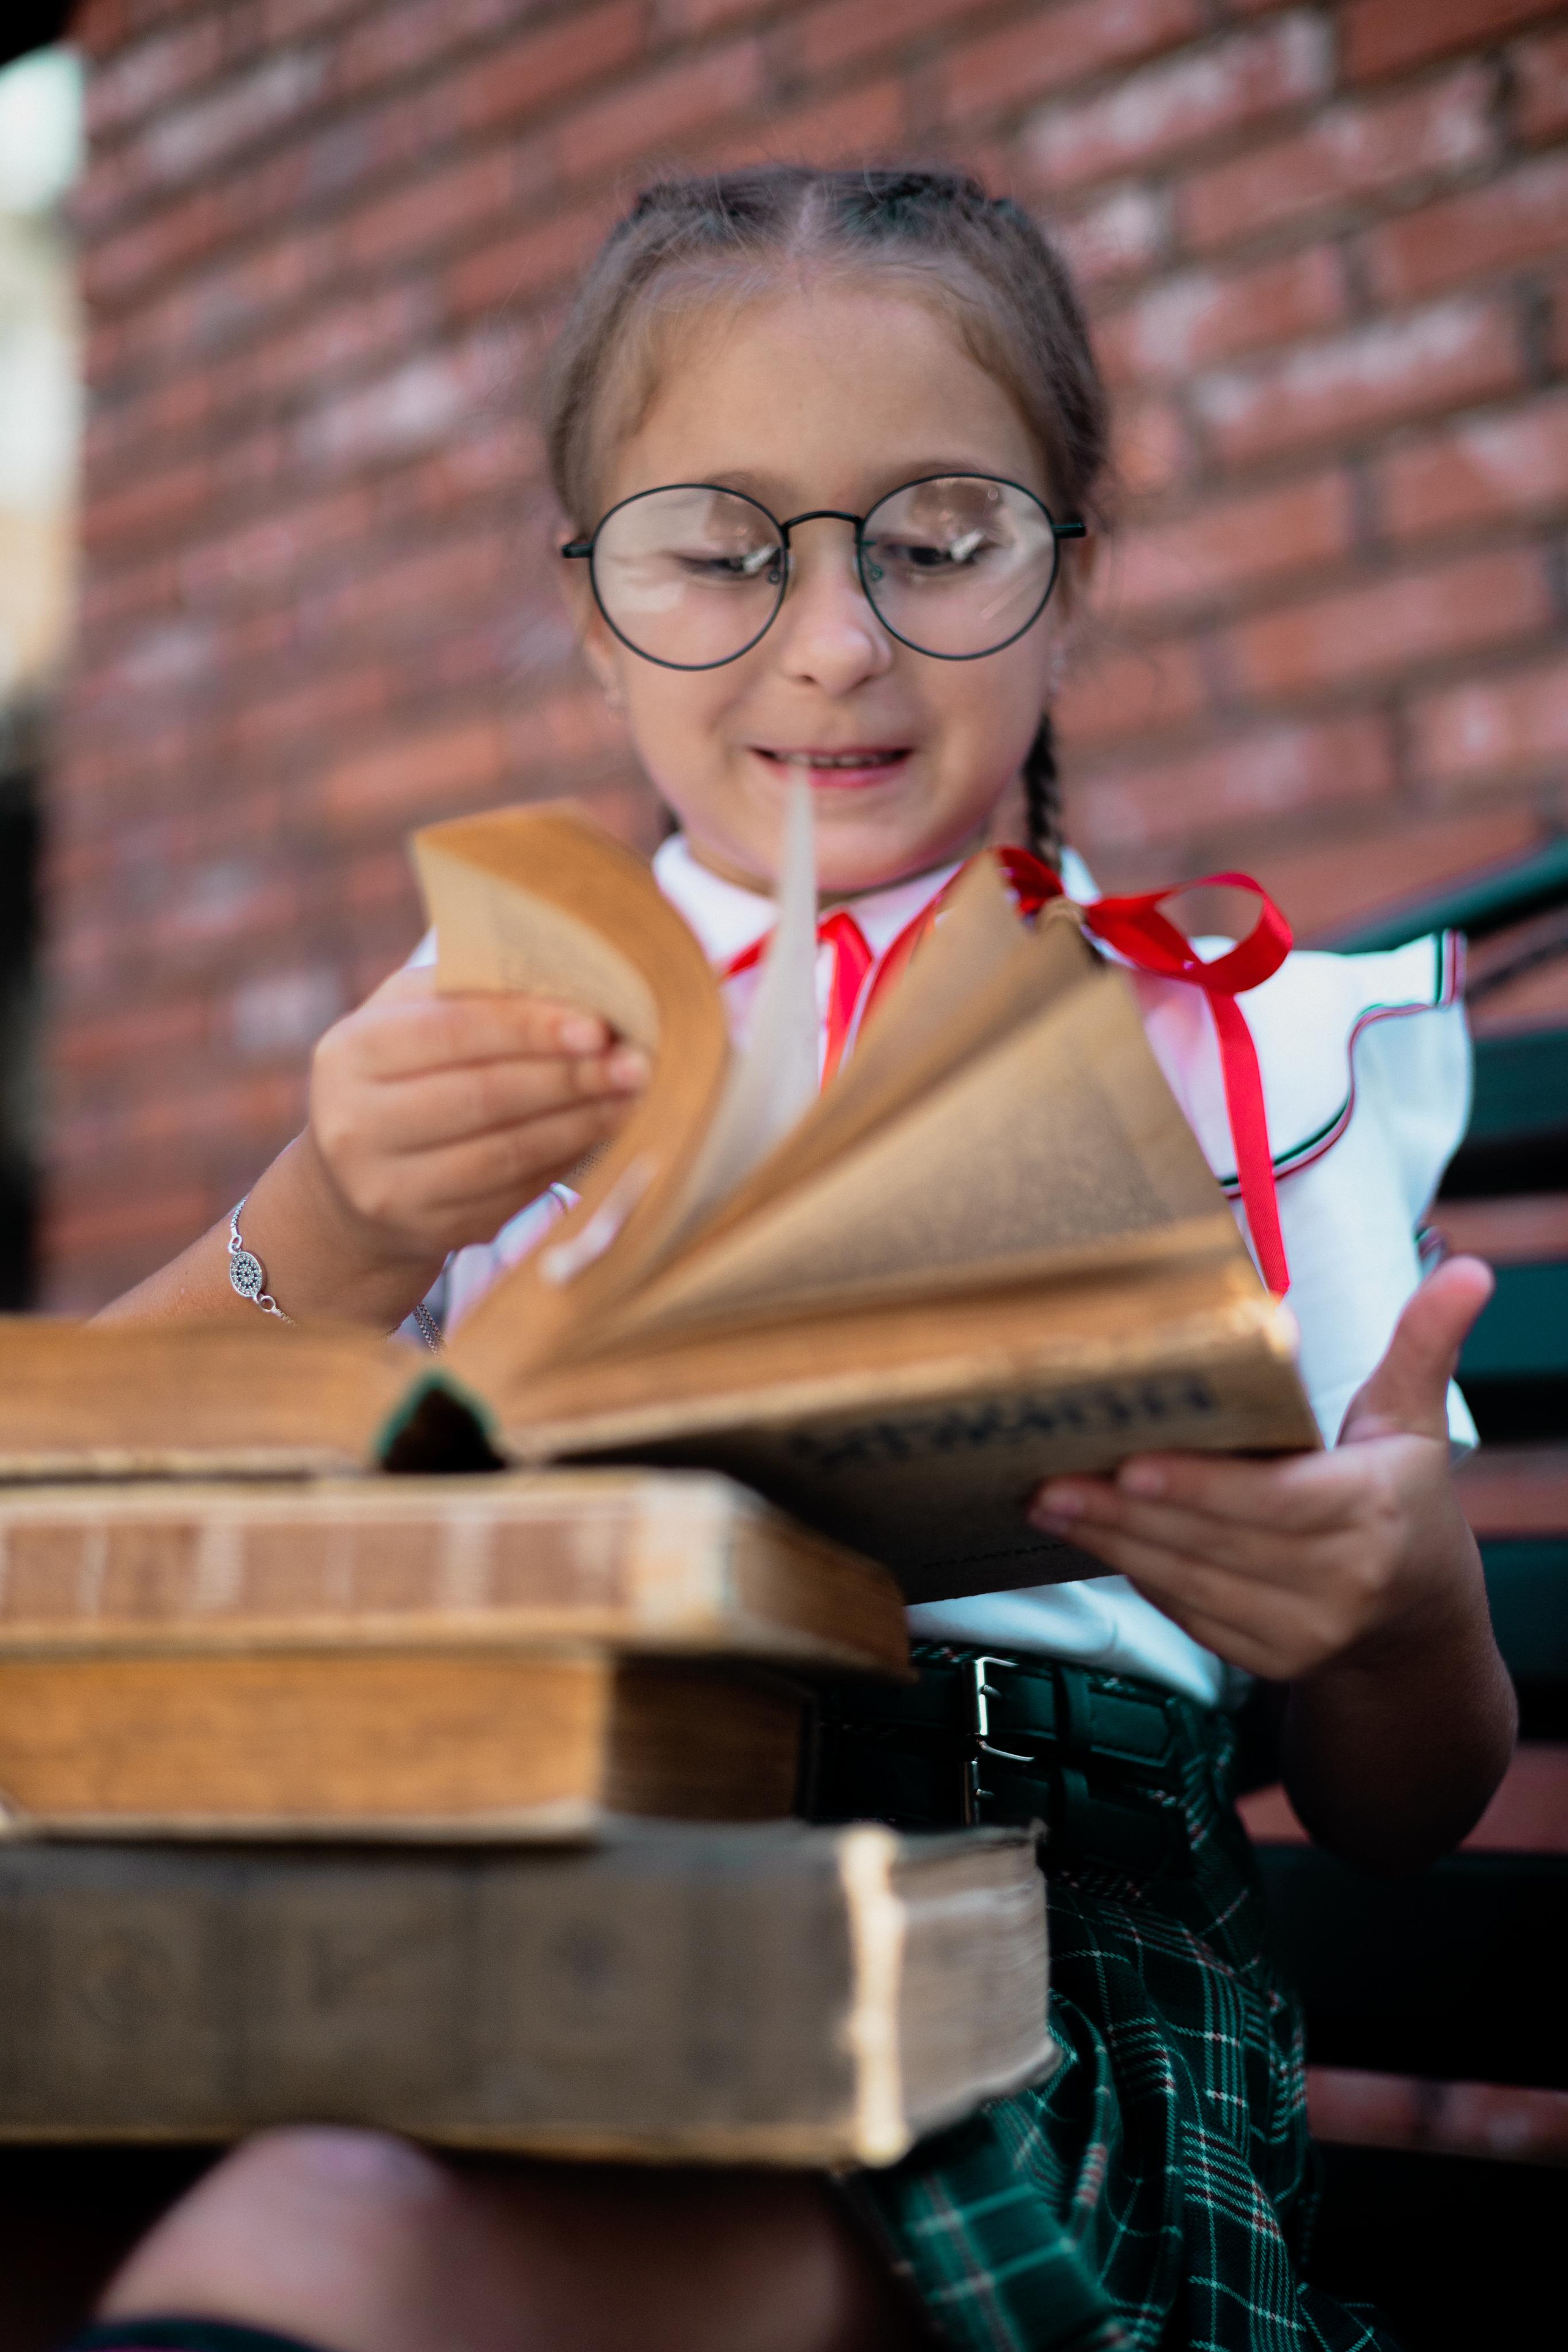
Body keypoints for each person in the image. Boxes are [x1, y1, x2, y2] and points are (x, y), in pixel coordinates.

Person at [77, 167, 1515, 2352]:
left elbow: (1407, 1807)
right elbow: (84, 1492)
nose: (833, 642)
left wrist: (1395, 1602)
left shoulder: (1258, 1050)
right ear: (594, 605)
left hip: (1039, 1990)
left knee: (351, 2234)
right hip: (542, 1867)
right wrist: (337, 1219)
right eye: (720, 554)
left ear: (1065, 578)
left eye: (938, 542)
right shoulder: (513, 1020)